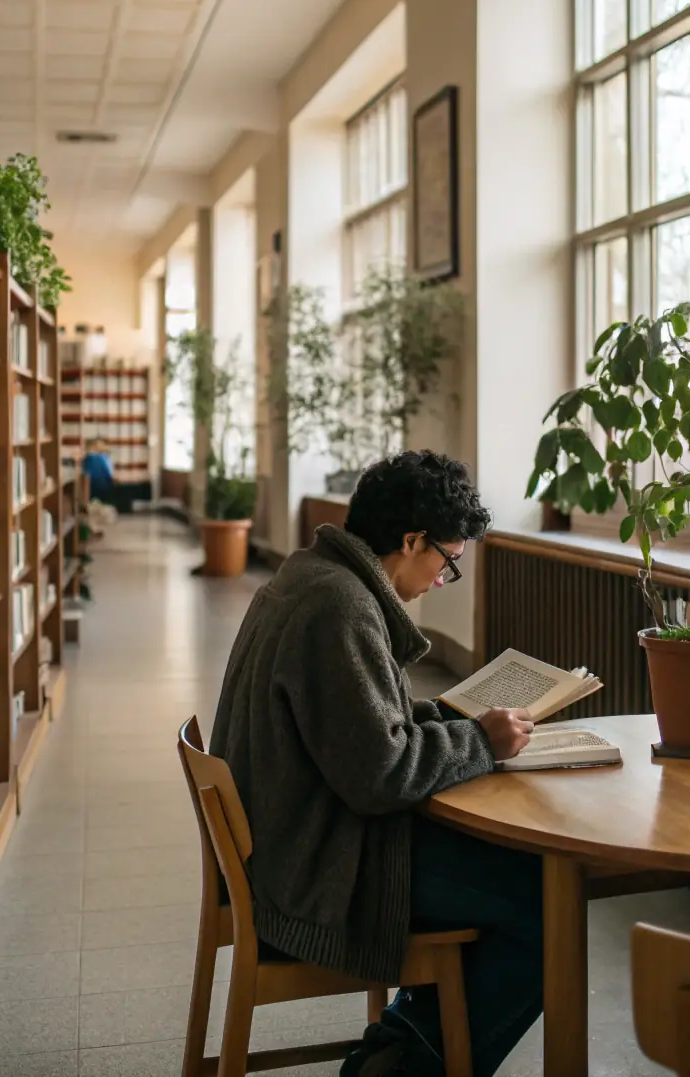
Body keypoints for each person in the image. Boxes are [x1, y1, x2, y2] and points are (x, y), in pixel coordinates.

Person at [210, 450, 543, 1077]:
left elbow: (348, 721)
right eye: (447, 561)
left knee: (510, 877)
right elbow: (382, 776)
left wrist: (446, 720)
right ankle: (415, 1065)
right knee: (543, 902)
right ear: (412, 540)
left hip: (293, 841)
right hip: (319, 871)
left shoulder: (312, 573)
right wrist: (481, 743)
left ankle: (401, 1043)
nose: (443, 579)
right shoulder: (341, 607)